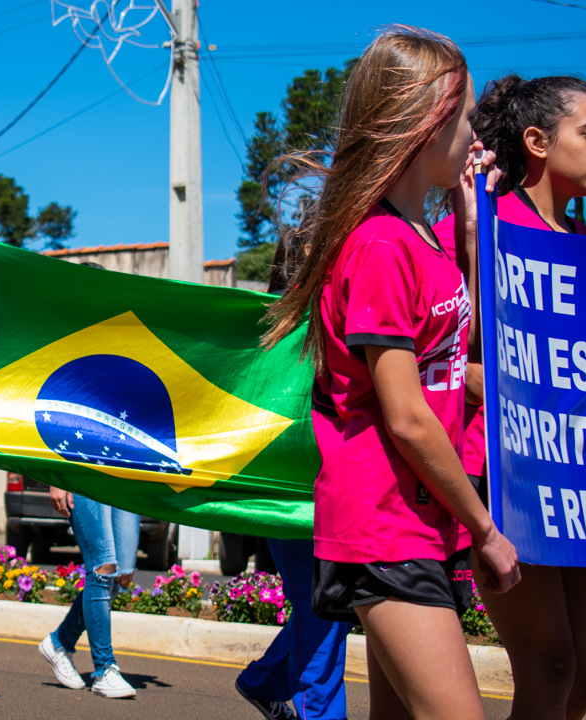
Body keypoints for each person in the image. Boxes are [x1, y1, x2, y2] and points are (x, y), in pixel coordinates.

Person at [260, 26, 520, 718]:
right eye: (465, 115)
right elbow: (405, 414)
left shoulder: (421, 244)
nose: (475, 134)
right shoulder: (378, 245)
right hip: (384, 522)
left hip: (416, 521)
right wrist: (487, 529)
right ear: (429, 117)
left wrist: (467, 227)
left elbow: (455, 364)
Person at [434, 74, 586, 720]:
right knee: (550, 668)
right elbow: (437, 354)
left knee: (581, 681)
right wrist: (482, 379)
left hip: (576, 482)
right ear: (537, 142)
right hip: (510, 479)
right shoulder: (481, 222)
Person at [234, 232, 350, 720]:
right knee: (321, 610)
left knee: (326, 609)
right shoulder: (268, 334)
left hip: (336, 487)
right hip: (290, 494)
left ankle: (265, 680)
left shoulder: (336, 319)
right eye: (316, 259)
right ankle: (319, 713)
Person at [39, 486, 139, 699]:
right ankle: (104, 669)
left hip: (127, 477)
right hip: (84, 473)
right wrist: (58, 482)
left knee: (122, 576)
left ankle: (59, 641)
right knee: (103, 567)